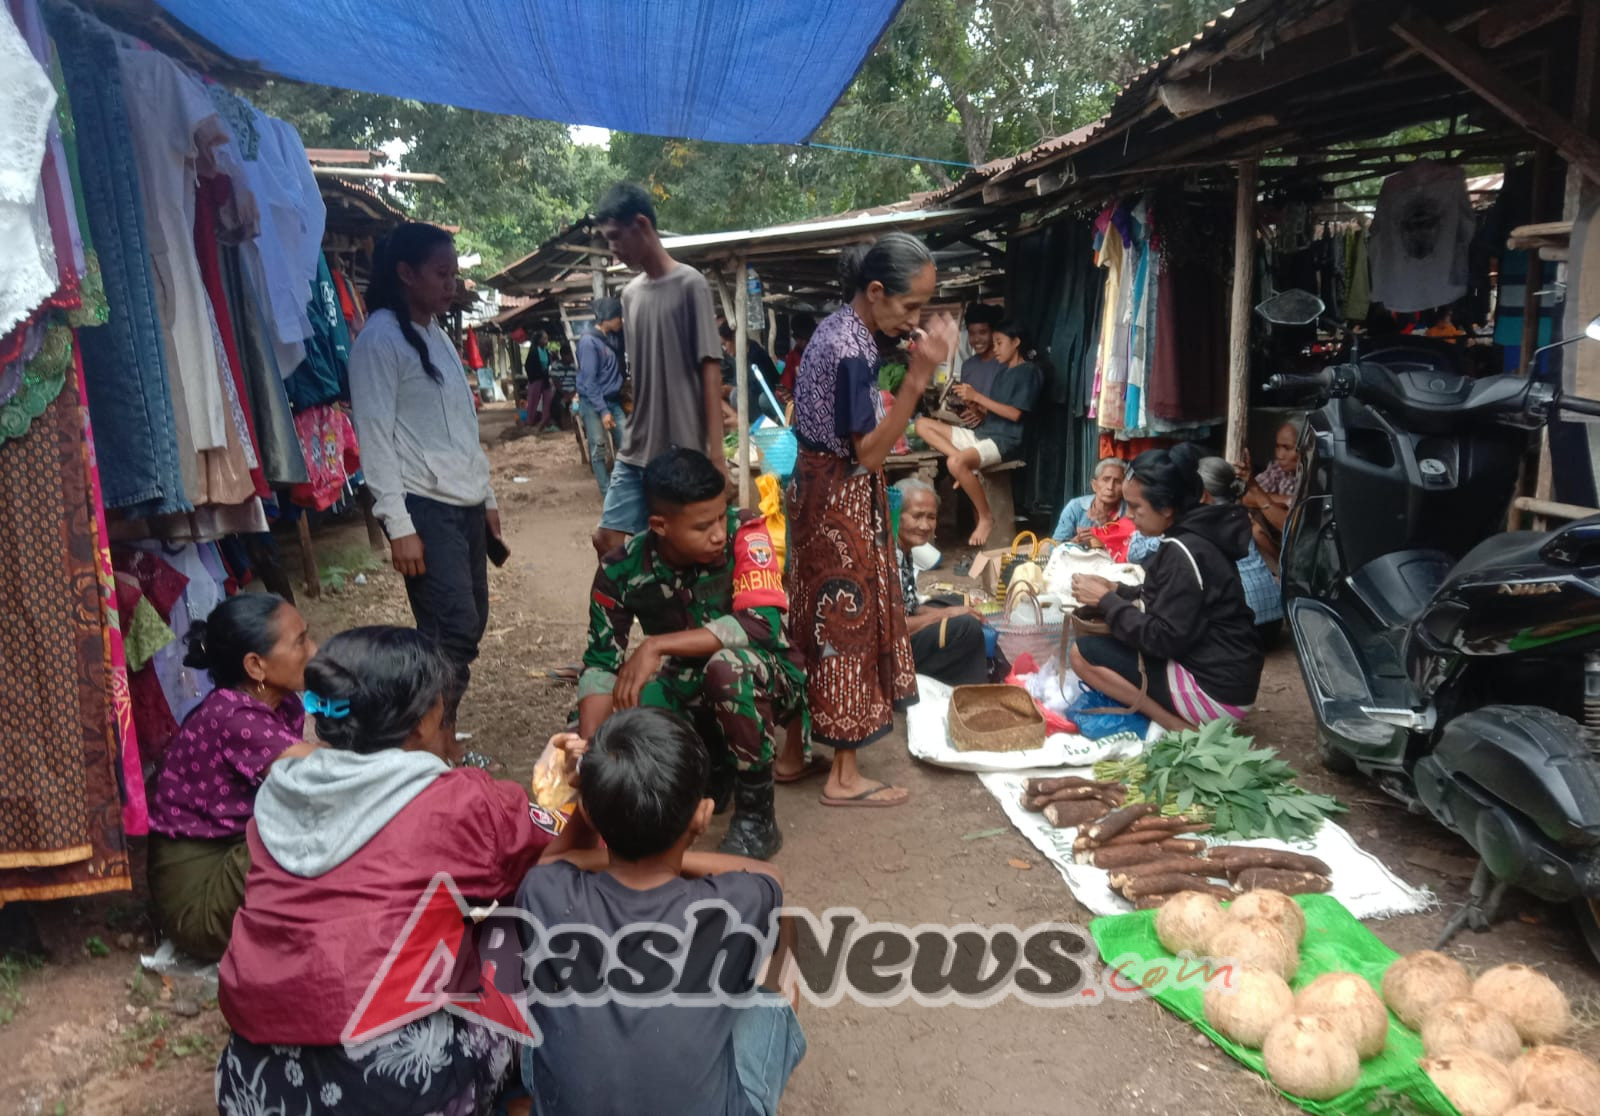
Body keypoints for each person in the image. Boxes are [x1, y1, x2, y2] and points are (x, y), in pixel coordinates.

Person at [216, 627, 556, 1116]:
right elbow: (557, 843)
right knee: (521, 923)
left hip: (254, 1083)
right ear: (422, 722)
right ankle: (525, 1089)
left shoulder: (283, 790)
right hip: (391, 1085)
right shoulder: (459, 801)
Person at [516, 707, 804, 1116]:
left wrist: (586, 808)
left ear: (593, 815)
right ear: (702, 817)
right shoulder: (736, 902)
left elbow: (553, 865)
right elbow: (768, 875)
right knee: (781, 932)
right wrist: (675, 857)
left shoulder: (544, 892)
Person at [785, 231, 957, 808]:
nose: (913, 320)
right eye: (909, 307)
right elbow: (869, 455)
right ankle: (844, 775)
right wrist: (916, 379)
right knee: (845, 619)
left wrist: (903, 344)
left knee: (808, 612)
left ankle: (790, 753)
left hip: (811, 491)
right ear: (876, 290)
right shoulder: (855, 351)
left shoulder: (837, 328)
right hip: (841, 499)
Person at [578, 448, 802, 858]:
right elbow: (600, 665)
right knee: (630, 702)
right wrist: (590, 761)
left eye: (720, 515)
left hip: (770, 676)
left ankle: (757, 816)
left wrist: (656, 645)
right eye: (702, 526)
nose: (718, 532)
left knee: (726, 669)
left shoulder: (748, 532)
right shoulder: (621, 569)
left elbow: (759, 624)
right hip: (690, 683)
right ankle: (705, 770)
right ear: (660, 526)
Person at [348, 222, 503, 733]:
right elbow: (374, 437)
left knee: (469, 626)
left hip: (462, 506)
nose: (451, 285)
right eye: (441, 274)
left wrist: (487, 497)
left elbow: (462, 426)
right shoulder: (379, 341)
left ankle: (437, 733)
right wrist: (398, 523)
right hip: (424, 507)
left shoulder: (436, 337)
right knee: (450, 632)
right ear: (405, 273)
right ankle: (430, 739)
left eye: (454, 274)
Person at [146, 594, 317, 962]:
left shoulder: (280, 703)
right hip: (199, 905)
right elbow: (329, 777)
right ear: (256, 665)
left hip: (229, 860)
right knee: (317, 817)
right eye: (300, 641)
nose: (314, 650)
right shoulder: (234, 717)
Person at [1068, 443, 1264, 732]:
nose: (1131, 516)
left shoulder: (1182, 551)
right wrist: (1117, 590)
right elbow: (1170, 600)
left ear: (1167, 508)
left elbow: (1164, 638)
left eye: (1136, 507)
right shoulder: (1196, 536)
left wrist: (1108, 601)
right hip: (1234, 678)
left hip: (1218, 693)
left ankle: (1178, 727)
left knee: (1081, 654)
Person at [591, 183, 724, 558]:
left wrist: (715, 457)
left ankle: (671, 616)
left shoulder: (690, 284)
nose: (613, 248)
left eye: (616, 237)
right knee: (607, 540)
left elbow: (710, 369)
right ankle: (647, 605)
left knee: (680, 551)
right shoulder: (629, 295)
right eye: (608, 240)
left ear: (642, 224)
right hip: (637, 447)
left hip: (683, 450)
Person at [914, 318, 1041, 546]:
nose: (995, 349)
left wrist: (978, 397)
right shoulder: (1002, 373)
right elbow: (993, 413)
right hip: (984, 433)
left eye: (999, 343)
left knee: (955, 464)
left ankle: (985, 517)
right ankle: (963, 465)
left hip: (1004, 442)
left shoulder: (1028, 372)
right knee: (922, 424)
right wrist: (975, 408)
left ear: (1016, 343)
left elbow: (1014, 415)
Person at [894, 477, 991, 686]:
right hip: (890, 653)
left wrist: (953, 610)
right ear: (896, 516)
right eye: (917, 516)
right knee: (965, 626)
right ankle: (970, 689)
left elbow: (909, 608)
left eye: (931, 517)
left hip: (902, 626)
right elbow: (893, 628)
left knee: (957, 601)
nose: (925, 525)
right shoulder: (886, 556)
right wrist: (946, 615)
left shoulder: (905, 549)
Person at [1197, 456, 1285, 646]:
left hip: (1242, 632)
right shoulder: (1240, 514)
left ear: (1203, 494)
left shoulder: (1202, 522)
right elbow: (1260, 533)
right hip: (1273, 625)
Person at [1237, 416, 1304, 569]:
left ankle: (1285, 570)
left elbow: (1289, 526)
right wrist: (1286, 501)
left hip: (1297, 541)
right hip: (1277, 535)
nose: (1280, 455)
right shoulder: (1277, 469)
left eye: (1287, 448)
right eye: (1277, 447)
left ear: (1304, 448)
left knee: (1257, 529)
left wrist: (1261, 495)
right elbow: (1246, 496)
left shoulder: (1313, 477)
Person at [577, 296, 626, 496]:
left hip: (612, 400)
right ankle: (607, 493)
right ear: (606, 318)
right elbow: (589, 381)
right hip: (593, 401)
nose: (621, 321)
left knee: (627, 443)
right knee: (598, 446)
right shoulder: (589, 342)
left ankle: (624, 486)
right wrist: (604, 410)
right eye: (618, 317)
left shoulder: (613, 338)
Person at [719, 321, 782, 423]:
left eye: (725, 344)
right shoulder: (739, 357)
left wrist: (731, 391)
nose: (725, 349)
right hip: (757, 398)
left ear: (734, 339)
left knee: (737, 396)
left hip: (769, 399)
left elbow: (757, 388)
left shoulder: (754, 355)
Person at [778, 312, 816, 400]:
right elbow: (784, 385)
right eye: (800, 338)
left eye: (807, 338)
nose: (804, 342)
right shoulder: (792, 357)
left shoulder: (824, 353)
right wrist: (783, 393)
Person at [525, 329, 557, 431]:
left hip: (545, 379)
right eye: (544, 339)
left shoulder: (546, 352)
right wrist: (535, 376)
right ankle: (530, 422)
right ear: (538, 340)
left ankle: (544, 420)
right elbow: (528, 366)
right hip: (536, 379)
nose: (546, 341)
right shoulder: (534, 352)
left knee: (548, 399)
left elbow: (547, 365)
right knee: (533, 401)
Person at [549, 341, 578, 429]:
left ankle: (576, 425)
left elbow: (579, 381)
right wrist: (564, 394)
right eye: (568, 355)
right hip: (561, 391)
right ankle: (561, 425)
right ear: (562, 355)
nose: (570, 357)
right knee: (556, 405)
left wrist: (573, 393)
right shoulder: (556, 365)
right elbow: (556, 382)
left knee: (576, 406)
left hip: (575, 391)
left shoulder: (575, 365)